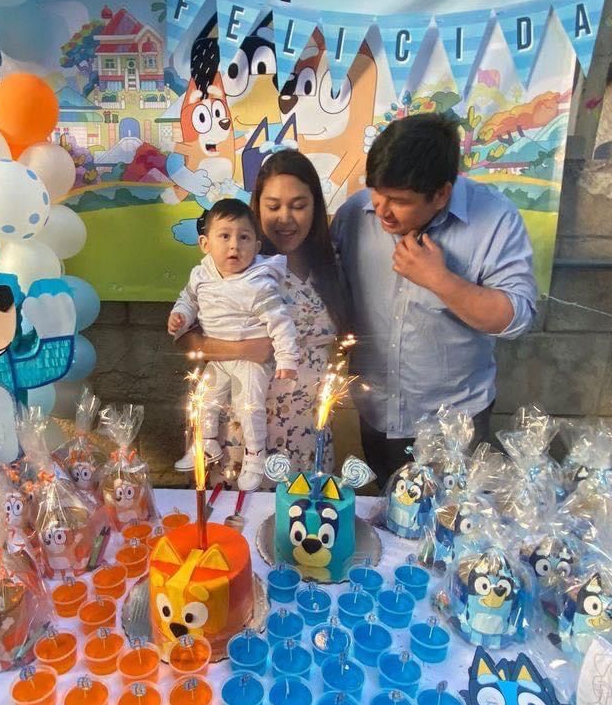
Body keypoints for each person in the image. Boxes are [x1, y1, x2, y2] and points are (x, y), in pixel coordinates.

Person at [331, 112, 537, 488]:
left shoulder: (494, 219)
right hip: (377, 413)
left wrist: (441, 280)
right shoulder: (354, 215)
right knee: (392, 517)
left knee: (452, 524)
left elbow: (516, 317)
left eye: (399, 200)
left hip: (455, 423)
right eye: (376, 190)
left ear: (442, 193)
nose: (381, 208)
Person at [177, 150, 345, 481]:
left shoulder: (331, 264)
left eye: (299, 206)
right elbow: (187, 340)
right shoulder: (234, 263)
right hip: (246, 434)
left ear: (315, 206)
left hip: (307, 434)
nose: (286, 217)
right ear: (257, 208)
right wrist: (244, 350)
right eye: (273, 206)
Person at [168, 198, 298, 491]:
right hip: (217, 360)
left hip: (252, 362)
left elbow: (281, 323)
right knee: (204, 400)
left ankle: (255, 457)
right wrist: (180, 315)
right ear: (205, 243)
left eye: (244, 238)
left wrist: (288, 359)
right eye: (224, 236)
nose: (234, 246)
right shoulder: (201, 275)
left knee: (248, 406)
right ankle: (208, 444)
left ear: (256, 245)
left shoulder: (259, 284)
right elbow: (188, 299)